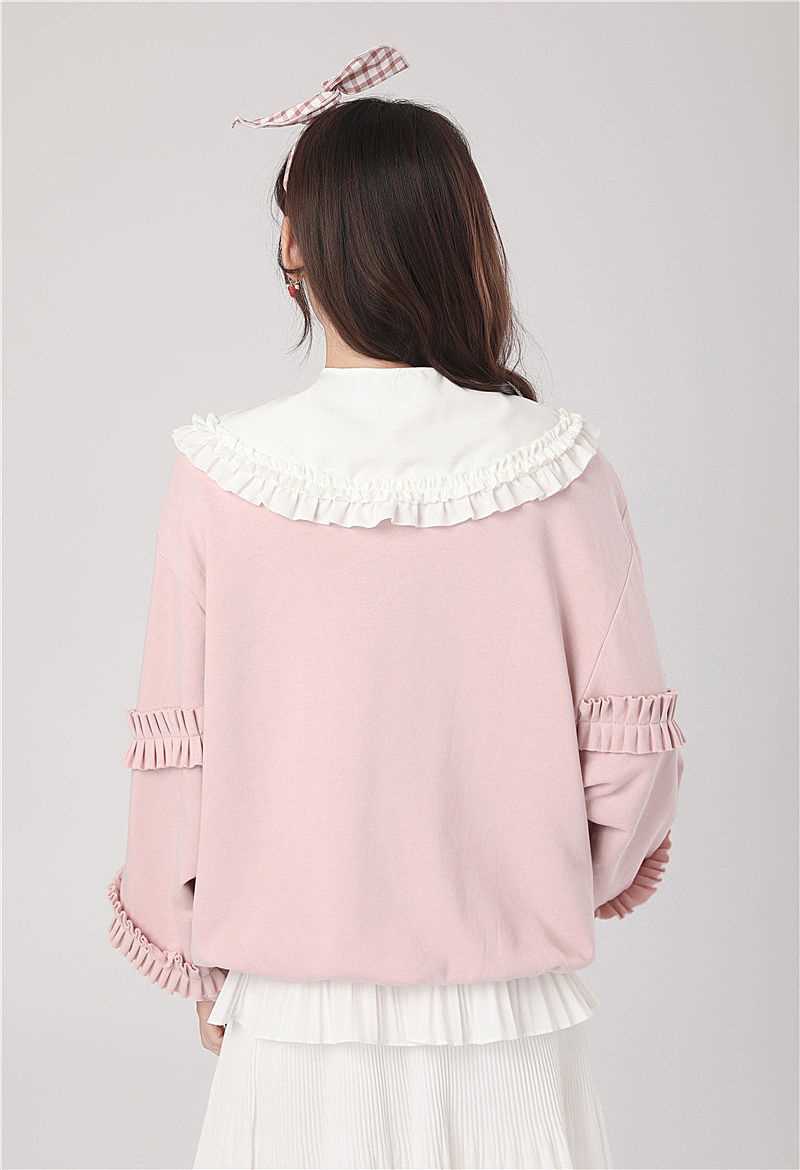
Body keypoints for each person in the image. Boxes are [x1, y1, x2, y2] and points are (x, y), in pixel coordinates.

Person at [107, 46, 684, 1170]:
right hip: (511, 1010)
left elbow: (178, 761)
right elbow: (631, 757)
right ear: (459, 242)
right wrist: (525, 886)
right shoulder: (558, 465)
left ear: (294, 242)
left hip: (292, 1013)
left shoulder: (222, 474)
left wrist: (199, 949)